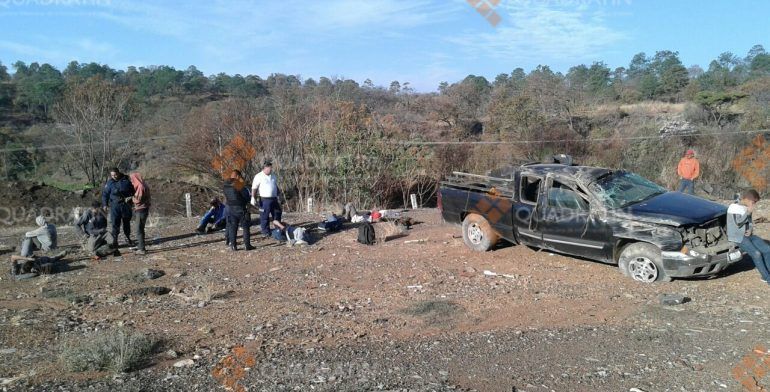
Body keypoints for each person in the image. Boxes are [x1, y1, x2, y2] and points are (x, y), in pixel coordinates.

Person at [727, 189, 770, 284]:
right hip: (737, 236)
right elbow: (738, 223)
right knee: (756, 254)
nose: (754, 205)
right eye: (753, 202)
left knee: (767, 249)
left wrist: (750, 229)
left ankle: (768, 273)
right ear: (747, 199)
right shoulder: (734, 207)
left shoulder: (746, 207)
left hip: (748, 235)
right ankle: (767, 278)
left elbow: (749, 222)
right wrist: (748, 213)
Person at [102, 168, 135, 248]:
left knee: (126, 222)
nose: (114, 176)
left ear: (119, 173)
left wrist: (131, 198)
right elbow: (105, 194)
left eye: (115, 174)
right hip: (115, 205)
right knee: (115, 223)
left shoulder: (126, 180)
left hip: (125, 205)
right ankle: (115, 240)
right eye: (112, 175)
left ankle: (128, 237)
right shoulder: (109, 183)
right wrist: (105, 205)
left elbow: (133, 191)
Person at [251, 160, 282, 237]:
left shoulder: (273, 175)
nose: (271, 169)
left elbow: (275, 186)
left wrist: (279, 195)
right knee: (264, 216)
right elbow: (254, 188)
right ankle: (265, 232)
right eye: (269, 168)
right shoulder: (258, 176)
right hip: (264, 200)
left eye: (271, 168)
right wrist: (253, 198)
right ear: (265, 168)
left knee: (277, 213)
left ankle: (277, 229)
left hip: (274, 199)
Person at [224, 170, 253, 251]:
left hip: (230, 209)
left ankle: (233, 246)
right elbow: (247, 196)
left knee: (233, 227)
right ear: (237, 176)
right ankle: (247, 245)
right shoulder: (238, 184)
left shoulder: (225, 184)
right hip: (241, 208)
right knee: (245, 227)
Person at [129, 172, 151, 255]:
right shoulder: (144, 184)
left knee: (139, 229)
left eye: (132, 179)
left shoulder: (140, 186)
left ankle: (141, 249)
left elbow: (138, 200)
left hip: (141, 209)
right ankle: (140, 246)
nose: (131, 181)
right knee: (140, 228)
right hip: (144, 208)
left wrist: (130, 198)